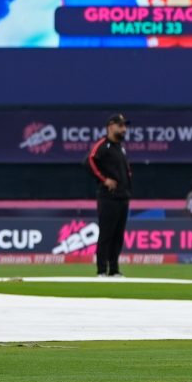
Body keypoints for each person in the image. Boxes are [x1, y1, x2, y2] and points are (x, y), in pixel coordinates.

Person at [86, 113, 133, 276]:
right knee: (106, 234)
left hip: (123, 196)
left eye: (124, 126)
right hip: (108, 197)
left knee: (118, 236)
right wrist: (104, 180)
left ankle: (114, 269)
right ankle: (101, 270)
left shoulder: (120, 147)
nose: (124, 129)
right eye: (120, 126)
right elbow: (90, 161)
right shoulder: (102, 145)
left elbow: (125, 169)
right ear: (110, 126)